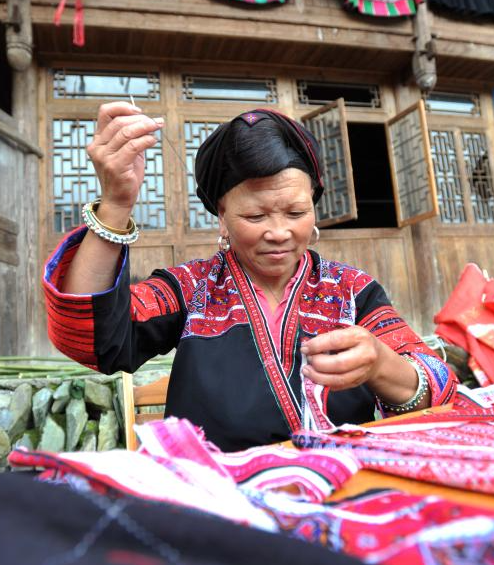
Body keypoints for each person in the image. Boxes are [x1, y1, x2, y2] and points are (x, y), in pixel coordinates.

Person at [44, 103, 457, 450]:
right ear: (222, 217)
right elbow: (91, 336)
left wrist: (382, 364)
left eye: (296, 212)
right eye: (255, 216)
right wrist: (116, 204)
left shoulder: (352, 291)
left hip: (337, 489)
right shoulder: (192, 289)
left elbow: (440, 387)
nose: (278, 232)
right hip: (216, 496)